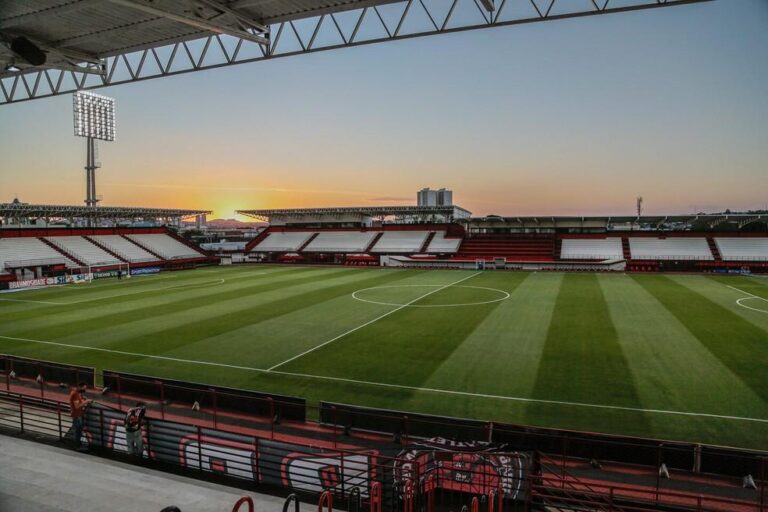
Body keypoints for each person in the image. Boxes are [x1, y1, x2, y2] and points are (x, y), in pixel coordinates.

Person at [68, 383, 92, 450]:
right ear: (80, 387)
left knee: (78, 430)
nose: (85, 390)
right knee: (78, 431)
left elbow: (77, 402)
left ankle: (78, 445)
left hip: (78, 415)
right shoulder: (75, 394)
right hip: (77, 415)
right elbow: (77, 406)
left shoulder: (76, 393)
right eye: (84, 388)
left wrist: (82, 398)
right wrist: (86, 401)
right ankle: (77, 446)